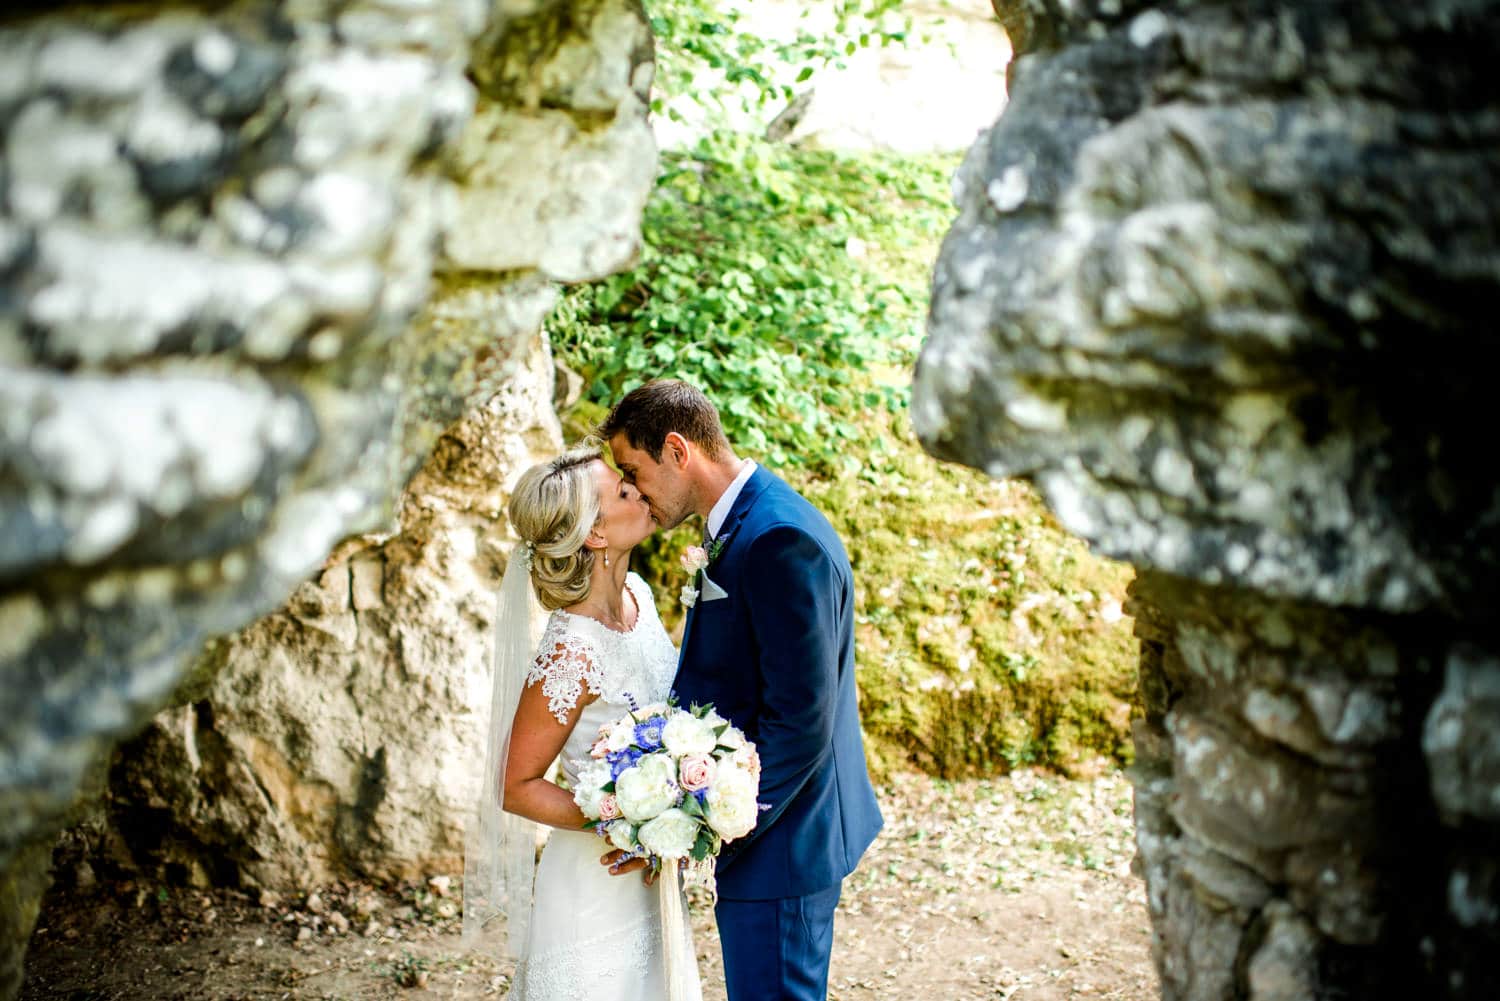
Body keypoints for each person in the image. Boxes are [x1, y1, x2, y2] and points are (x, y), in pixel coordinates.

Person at [599, 380, 884, 1001]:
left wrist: (716, 819)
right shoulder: (743, 524)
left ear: (677, 451)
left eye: (634, 470)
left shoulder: (780, 539)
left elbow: (803, 717)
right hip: (774, 835)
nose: (634, 489)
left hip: (785, 840)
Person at [462, 443, 702, 1001]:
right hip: (594, 887)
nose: (639, 490)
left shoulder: (639, 597)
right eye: (622, 491)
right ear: (594, 535)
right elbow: (514, 785)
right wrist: (628, 823)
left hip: (652, 874)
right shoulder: (571, 651)